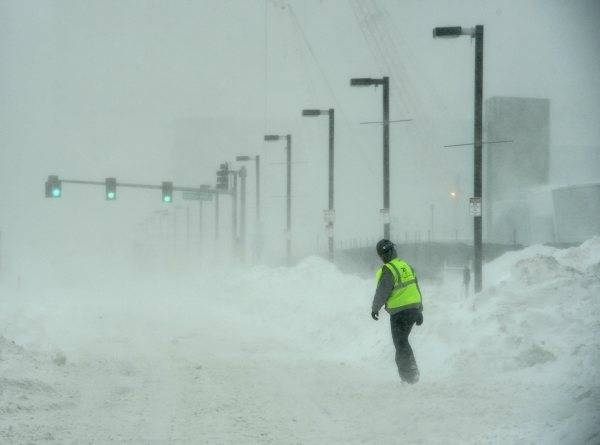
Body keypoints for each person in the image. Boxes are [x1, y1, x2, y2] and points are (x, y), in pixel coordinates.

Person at [371, 239, 423, 384]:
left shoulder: (389, 269)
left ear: (382, 255)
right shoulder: (406, 266)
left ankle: (410, 377)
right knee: (402, 342)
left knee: (400, 343)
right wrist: (419, 310)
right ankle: (409, 375)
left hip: (400, 312)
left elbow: (382, 291)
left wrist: (375, 308)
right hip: (413, 309)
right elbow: (415, 287)